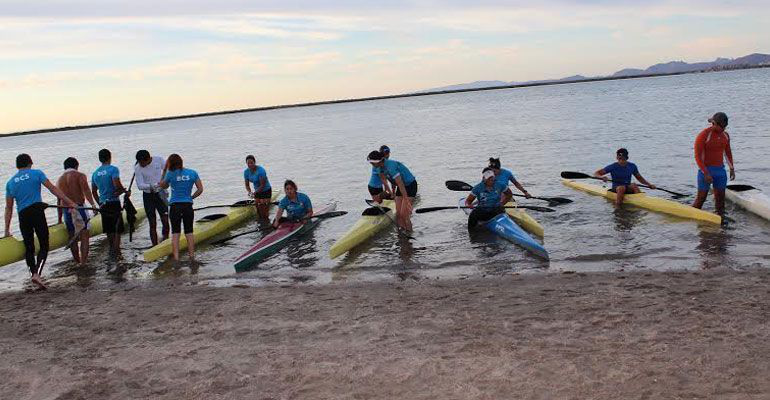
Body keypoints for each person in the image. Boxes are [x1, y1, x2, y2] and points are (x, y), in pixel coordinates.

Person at [4, 154, 76, 289]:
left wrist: (7, 230)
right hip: (37, 211)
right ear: (30, 163)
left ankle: (33, 273)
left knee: (29, 246)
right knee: (44, 244)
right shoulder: (37, 173)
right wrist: (70, 202)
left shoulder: (10, 182)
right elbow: (53, 189)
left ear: (17, 166)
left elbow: (9, 208)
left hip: (23, 215)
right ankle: (38, 273)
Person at [158, 154, 203, 261]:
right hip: (187, 205)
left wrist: (164, 172)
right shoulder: (192, 173)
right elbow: (200, 189)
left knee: (175, 233)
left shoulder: (170, 174)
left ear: (170, 163)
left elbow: (163, 186)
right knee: (189, 232)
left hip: (175, 206)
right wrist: (191, 197)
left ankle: (176, 258)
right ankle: (192, 257)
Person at [56, 157, 98, 265]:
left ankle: (77, 261)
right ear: (76, 166)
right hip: (79, 209)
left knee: (72, 237)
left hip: (66, 211)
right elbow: (86, 190)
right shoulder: (79, 175)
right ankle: (83, 262)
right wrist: (93, 205)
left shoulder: (59, 179)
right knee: (84, 236)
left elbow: (58, 200)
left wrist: (59, 218)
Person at [693, 112, 735, 215]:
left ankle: (720, 225)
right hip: (705, 171)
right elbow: (697, 157)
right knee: (700, 200)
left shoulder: (725, 135)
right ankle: (691, 219)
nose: (724, 129)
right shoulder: (703, 135)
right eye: (722, 127)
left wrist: (732, 168)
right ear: (714, 124)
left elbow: (727, 152)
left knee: (720, 202)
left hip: (720, 172)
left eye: (725, 126)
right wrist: (706, 173)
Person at [367, 150, 418, 231]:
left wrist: (407, 201)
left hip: (410, 185)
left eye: (372, 162)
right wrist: (392, 193)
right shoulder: (379, 168)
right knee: (398, 215)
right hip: (400, 187)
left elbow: (400, 183)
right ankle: (401, 233)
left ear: (378, 161)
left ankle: (409, 234)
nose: (371, 164)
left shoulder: (391, 166)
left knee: (404, 215)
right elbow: (386, 182)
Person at [91, 149, 128, 258]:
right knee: (117, 229)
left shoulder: (95, 173)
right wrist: (124, 191)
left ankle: (112, 249)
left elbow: (93, 191)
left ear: (99, 159)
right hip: (113, 203)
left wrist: (99, 203)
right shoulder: (113, 169)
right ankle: (117, 252)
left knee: (109, 229)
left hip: (103, 204)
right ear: (109, 157)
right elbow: (117, 186)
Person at [135, 150, 169, 245]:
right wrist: (153, 185)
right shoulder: (137, 168)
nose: (140, 164)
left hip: (161, 193)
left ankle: (166, 240)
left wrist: (165, 181)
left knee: (165, 220)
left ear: (148, 159)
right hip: (148, 196)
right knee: (152, 223)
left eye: (142, 162)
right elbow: (140, 185)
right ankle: (155, 245)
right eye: (139, 162)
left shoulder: (158, 160)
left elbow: (169, 170)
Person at [243, 155, 272, 221]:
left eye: (251, 163)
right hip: (257, 191)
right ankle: (260, 223)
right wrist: (249, 192)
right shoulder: (246, 172)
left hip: (266, 190)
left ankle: (267, 222)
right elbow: (247, 185)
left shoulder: (261, 171)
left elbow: (262, 185)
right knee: (258, 210)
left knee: (265, 211)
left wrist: (255, 193)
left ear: (254, 162)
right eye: (248, 163)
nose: (250, 165)